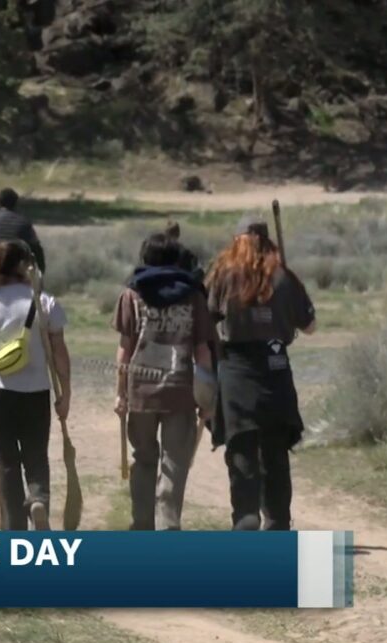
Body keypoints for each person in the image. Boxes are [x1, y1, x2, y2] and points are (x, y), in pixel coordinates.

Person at [205, 214, 316, 531]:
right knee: (276, 456)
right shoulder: (284, 276)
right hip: (276, 371)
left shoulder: (223, 275)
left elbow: (206, 320)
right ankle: (278, 522)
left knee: (242, 450)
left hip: (238, 372)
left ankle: (245, 518)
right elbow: (310, 326)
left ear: (237, 240)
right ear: (267, 241)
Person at [113, 233, 215, 530]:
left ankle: (142, 523)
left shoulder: (132, 295)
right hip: (180, 393)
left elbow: (125, 349)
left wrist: (120, 393)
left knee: (143, 458)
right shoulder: (194, 296)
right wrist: (207, 400)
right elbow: (203, 353)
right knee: (175, 463)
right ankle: (168, 526)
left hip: (141, 393)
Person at [0, 241, 69, 530]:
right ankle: (38, 498)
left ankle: (13, 530)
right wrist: (66, 394)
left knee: (7, 462)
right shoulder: (44, 302)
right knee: (36, 454)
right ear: (24, 266)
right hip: (35, 391)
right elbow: (60, 354)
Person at [0, 188, 47, 273]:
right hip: (17, 269)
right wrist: (41, 270)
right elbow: (36, 248)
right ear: (16, 203)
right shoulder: (24, 222)